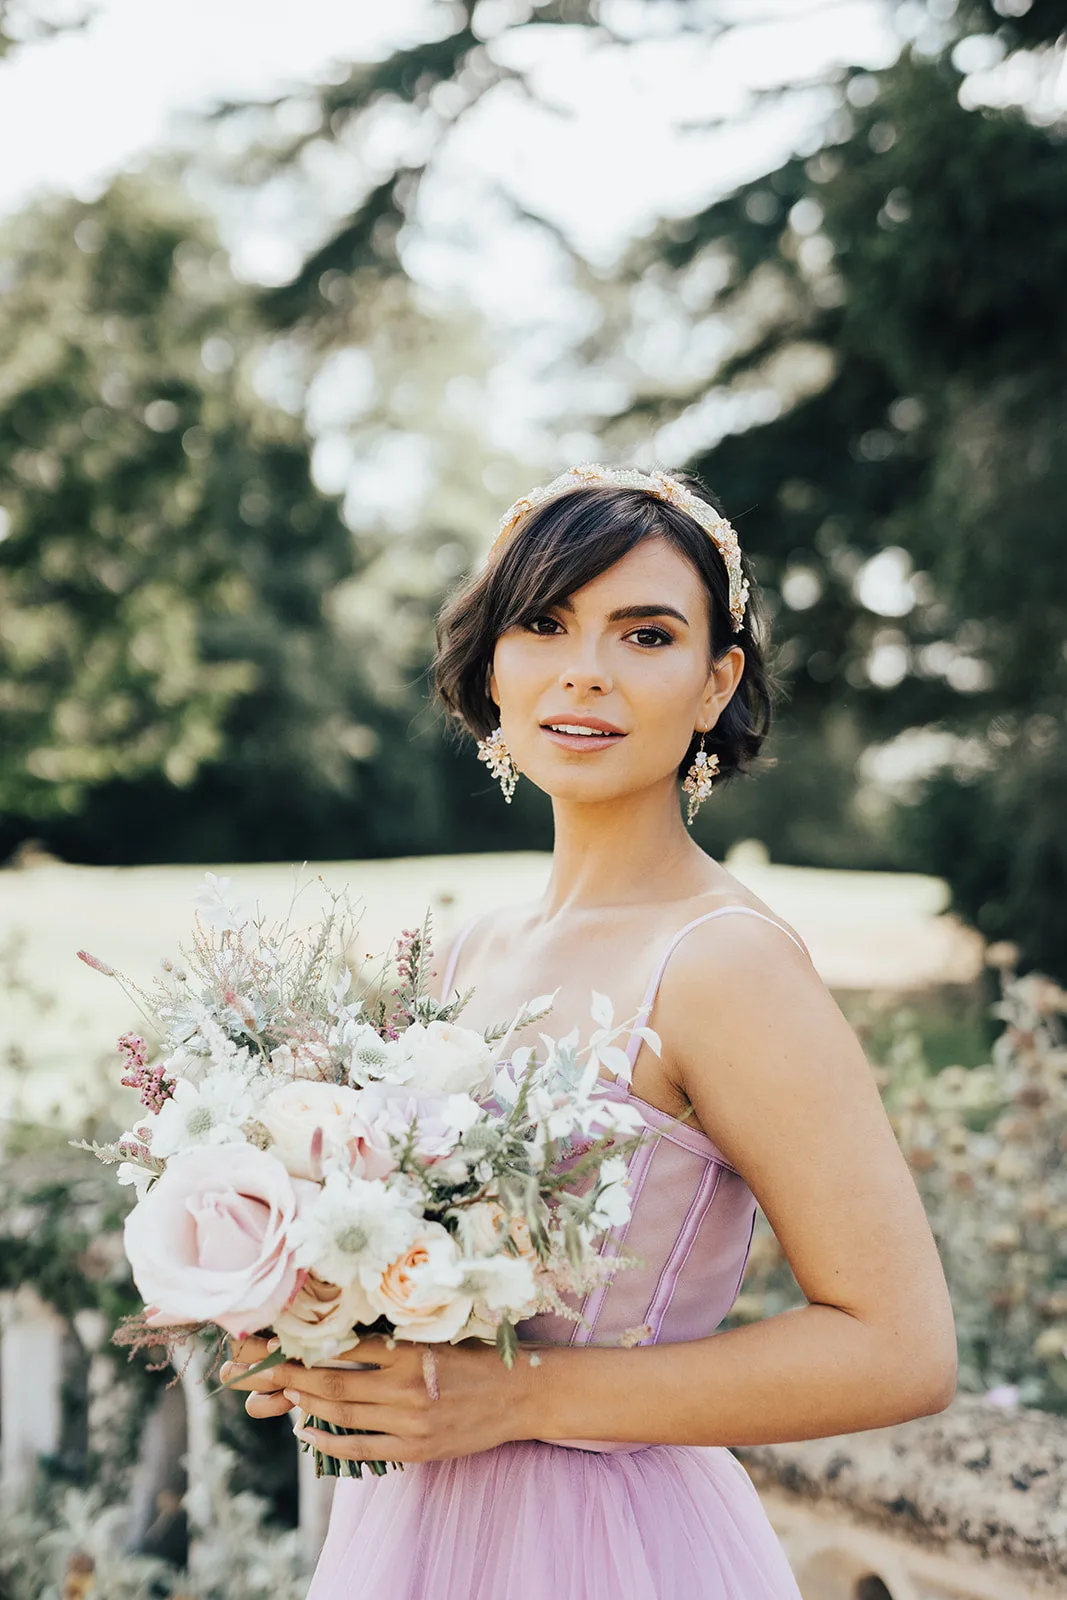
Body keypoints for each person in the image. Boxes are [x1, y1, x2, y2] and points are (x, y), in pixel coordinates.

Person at [226, 464, 957, 1598]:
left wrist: (521, 1399)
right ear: (493, 664)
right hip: (412, 1532)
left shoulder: (722, 963)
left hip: (605, 1542)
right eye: (545, 622)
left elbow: (899, 1346)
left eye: (645, 634)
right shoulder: (470, 948)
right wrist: (312, 1321)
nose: (585, 670)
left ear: (715, 683)